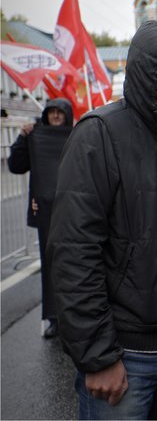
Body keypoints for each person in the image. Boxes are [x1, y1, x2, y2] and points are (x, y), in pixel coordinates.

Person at [48, 20, 157, 420]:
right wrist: (98, 356)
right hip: (126, 357)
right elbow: (75, 252)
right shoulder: (98, 134)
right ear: (149, 68)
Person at [8, 98, 73, 338]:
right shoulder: (35, 136)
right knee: (51, 267)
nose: (56, 116)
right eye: (51, 112)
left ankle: (76, 316)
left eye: (60, 112)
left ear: (67, 115)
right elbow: (16, 166)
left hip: (75, 212)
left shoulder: (77, 135)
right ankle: (54, 317)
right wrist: (23, 139)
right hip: (46, 213)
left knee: (78, 264)